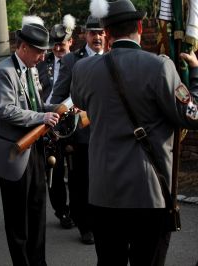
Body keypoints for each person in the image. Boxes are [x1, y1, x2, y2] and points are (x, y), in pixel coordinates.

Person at [71, 0, 198, 264]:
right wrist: (194, 76)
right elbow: (191, 116)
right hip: (149, 193)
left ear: (106, 32)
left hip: (103, 193)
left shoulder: (83, 69)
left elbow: (80, 101)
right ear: (140, 26)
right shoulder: (160, 66)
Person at [0, 16, 60, 266]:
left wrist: (56, 108)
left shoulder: (31, 70)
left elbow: (36, 104)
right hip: (14, 153)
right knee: (18, 219)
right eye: (39, 51)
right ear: (23, 47)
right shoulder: (3, 72)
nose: (42, 57)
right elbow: (6, 110)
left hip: (34, 149)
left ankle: (39, 262)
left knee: (37, 211)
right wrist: (42, 115)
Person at [50, 15, 107, 245]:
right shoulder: (72, 61)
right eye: (93, 33)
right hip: (80, 134)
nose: (98, 37)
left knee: (103, 180)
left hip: (106, 132)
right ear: (85, 35)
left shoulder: (113, 57)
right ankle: (85, 225)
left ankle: (102, 221)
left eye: (102, 33)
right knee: (80, 181)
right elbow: (58, 97)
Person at [36, 14, 75, 230]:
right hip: (49, 124)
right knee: (55, 170)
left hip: (73, 122)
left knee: (78, 173)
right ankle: (62, 211)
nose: (58, 49)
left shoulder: (78, 61)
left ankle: (80, 211)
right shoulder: (44, 63)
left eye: (62, 44)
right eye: (55, 45)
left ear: (71, 42)